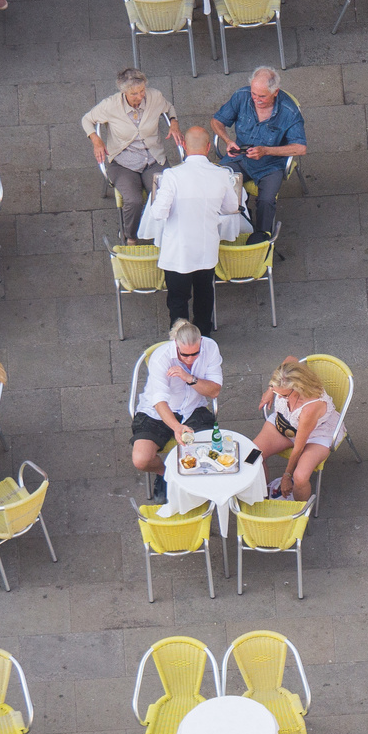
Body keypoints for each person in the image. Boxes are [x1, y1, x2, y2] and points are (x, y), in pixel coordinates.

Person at [142, 126, 240, 335]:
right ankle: (204, 339)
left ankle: (180, 343)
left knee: (178, 301)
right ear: (207, 148)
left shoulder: (172, 175)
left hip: (178, 250)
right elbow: (231, 207)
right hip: (206, 249)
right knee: (204, 297)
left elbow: (158, 212)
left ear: (183, 146)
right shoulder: (221, 174)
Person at [81, 68, 182, 244]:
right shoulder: (110, 105)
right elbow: (86, 119)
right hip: (123, 163)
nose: (140, 96)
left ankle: (165, 234)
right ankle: (131, 235)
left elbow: (169, 108)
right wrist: (96, 139)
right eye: (134, 93)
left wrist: (174, 123)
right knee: (134, 201)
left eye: (142, 90)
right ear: (124, 91)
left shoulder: (155, 97)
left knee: (165, 195)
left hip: (153, 158)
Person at [210, 66, 305, 245]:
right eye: (254, 94)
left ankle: (262, 236)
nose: (256, 100)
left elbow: (300, 148)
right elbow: (216, 121)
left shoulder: (289, 112)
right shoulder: (242, 96)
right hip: (240, 156)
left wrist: (266, 150)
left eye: (262, 96)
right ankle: (239, 218)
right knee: (218, 184)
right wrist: (228, 141)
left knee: (266, 200)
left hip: (270, 164)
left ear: (275, 92)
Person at [131, 319, 222, 504]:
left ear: (201, 344)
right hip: (157, 412)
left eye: (195, 354)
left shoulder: (211, 348)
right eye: (184, 355)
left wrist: (190, 378)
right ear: (175, 345)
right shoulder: (160, 357)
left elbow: (214, 391)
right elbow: (159, 401)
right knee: (141, 459)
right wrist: (176, 427)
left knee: (207, 452)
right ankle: (167, 473)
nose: (189, 359)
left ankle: (194, 483)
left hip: (194, 408)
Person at [254, 358, 344, 503]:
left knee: (300, 477)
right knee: (253, 455)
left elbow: (299, 447)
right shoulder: (284, 382)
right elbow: (290, 359)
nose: (280, 397)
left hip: (316, 435)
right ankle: (262, 498)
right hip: (285, 423)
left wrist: (287, 476)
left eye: (283, 395)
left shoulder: (310, 408)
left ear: (298, 388)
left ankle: (299, 513)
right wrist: (271, 389)